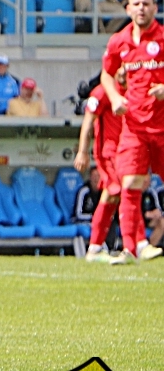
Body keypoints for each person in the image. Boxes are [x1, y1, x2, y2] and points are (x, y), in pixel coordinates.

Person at [100, 0, 164, 262]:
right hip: (134, 126)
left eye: (146, 4)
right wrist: (115, 97)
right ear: (127, 9)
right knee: (129, 184)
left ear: (155, 8)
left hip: (162, 125)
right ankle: (132, 247)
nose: (141, 8)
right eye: (136, 4)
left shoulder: (162, 38)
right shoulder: (119, 41)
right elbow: (106, 73)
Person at [77, 74, 124, 261]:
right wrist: (82, 152)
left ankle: (95, 247)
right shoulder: (101, 92)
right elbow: (88, 122)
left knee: (112, 195)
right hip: (108, 153)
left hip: (126, 152)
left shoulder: (132, 90)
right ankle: (135, 245)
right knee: (119, 190)